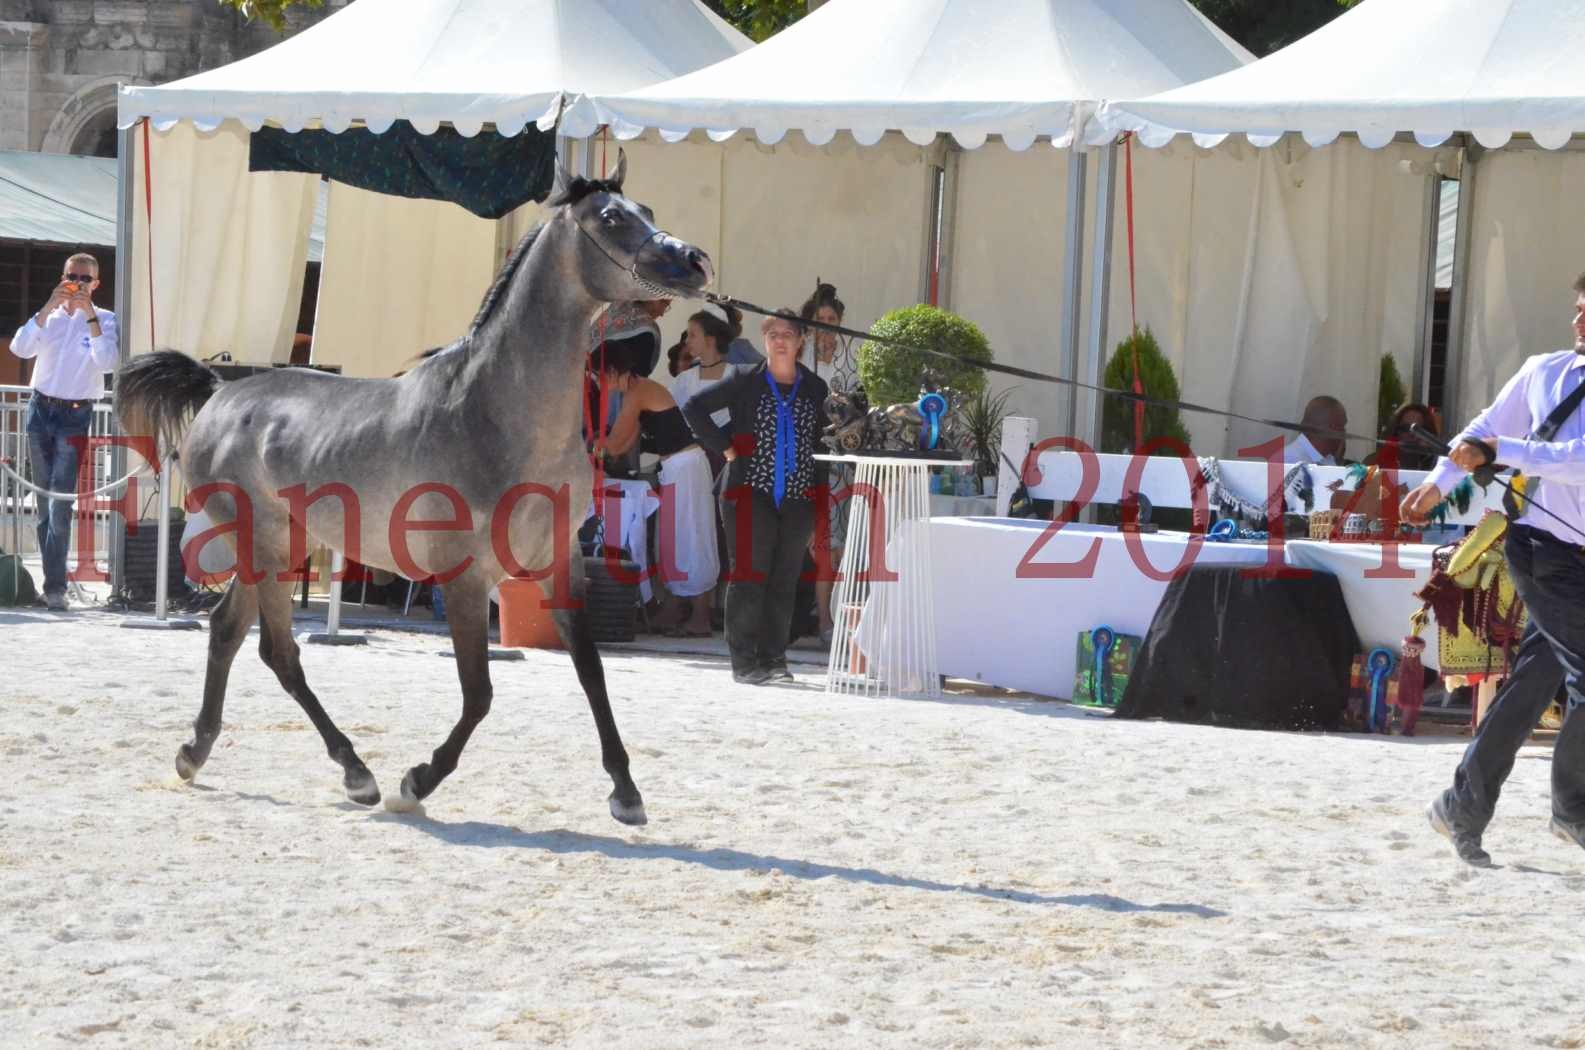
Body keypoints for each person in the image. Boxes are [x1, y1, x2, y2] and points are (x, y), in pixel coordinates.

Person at [1403, 273, 1585, 867]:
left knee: (1533, 684)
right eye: (1578, 310)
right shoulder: (1543, 370)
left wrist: (1501, 452)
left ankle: (1462, 805)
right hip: (1542, 549)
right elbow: (1481, 431)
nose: (1580, 322)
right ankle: (1573, 810)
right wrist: (1438, 484)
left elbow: (1574, 461)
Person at [683, 309, 830, 685]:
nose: (780, 340)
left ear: (800, 342)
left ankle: (775, 659)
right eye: (772, 334)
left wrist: (819, 505)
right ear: (765, 341)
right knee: (749, 576)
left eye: (787, 334)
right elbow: (694, 408)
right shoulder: (744, 380)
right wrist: (726, 448)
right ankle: (745, 663)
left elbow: (821, 448)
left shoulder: (815, 388)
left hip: (798, 497)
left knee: (785, 580)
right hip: (749, 493)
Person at [8, 253, 118, 611]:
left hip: (74, 414)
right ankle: (53, 584)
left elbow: (108, 362)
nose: (78, 283)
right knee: (43, 500)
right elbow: (20, 348)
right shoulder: (49, 318)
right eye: (73, 276)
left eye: (85, 279)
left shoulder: (105, 319)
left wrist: (88, 316)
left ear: (96, 284)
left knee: (61, 502)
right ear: (63, 276)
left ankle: (56, 587)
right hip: (40, 409)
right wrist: (48, 306)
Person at [594, 340, 719, 637]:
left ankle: (700, 615)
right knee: (673, 540)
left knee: (691, 537)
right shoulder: (635, 394)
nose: (599, 384)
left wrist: (593, 445)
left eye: (599, 377)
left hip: (685, 466)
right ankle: (674, 607)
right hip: (677, 468)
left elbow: (614, 443)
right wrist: (602, 447)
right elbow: (624, 443)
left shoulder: (639, 393)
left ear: (612, 371)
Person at [801, 281, 850, 647]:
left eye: (832, 319)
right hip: (811, 463)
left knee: (842, 547)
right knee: (821, 547)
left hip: (843, 464)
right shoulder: (800, 362)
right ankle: (823, 620)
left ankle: (842, 617)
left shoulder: (852, 363)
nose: (827, 327)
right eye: (820, 320)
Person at [1368, 402, 1441, 472]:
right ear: (1397, 431)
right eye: (1405, 428)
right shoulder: (1377, 461)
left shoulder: (1440, 463)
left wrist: (1427, 456)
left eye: (1418, 430)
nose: (1411, 434)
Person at [1285, 395, 1350, 465]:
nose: (1344, 433)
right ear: (1331, 429)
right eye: (1342, 426)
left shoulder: (1327, 459)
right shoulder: (1290, 460)